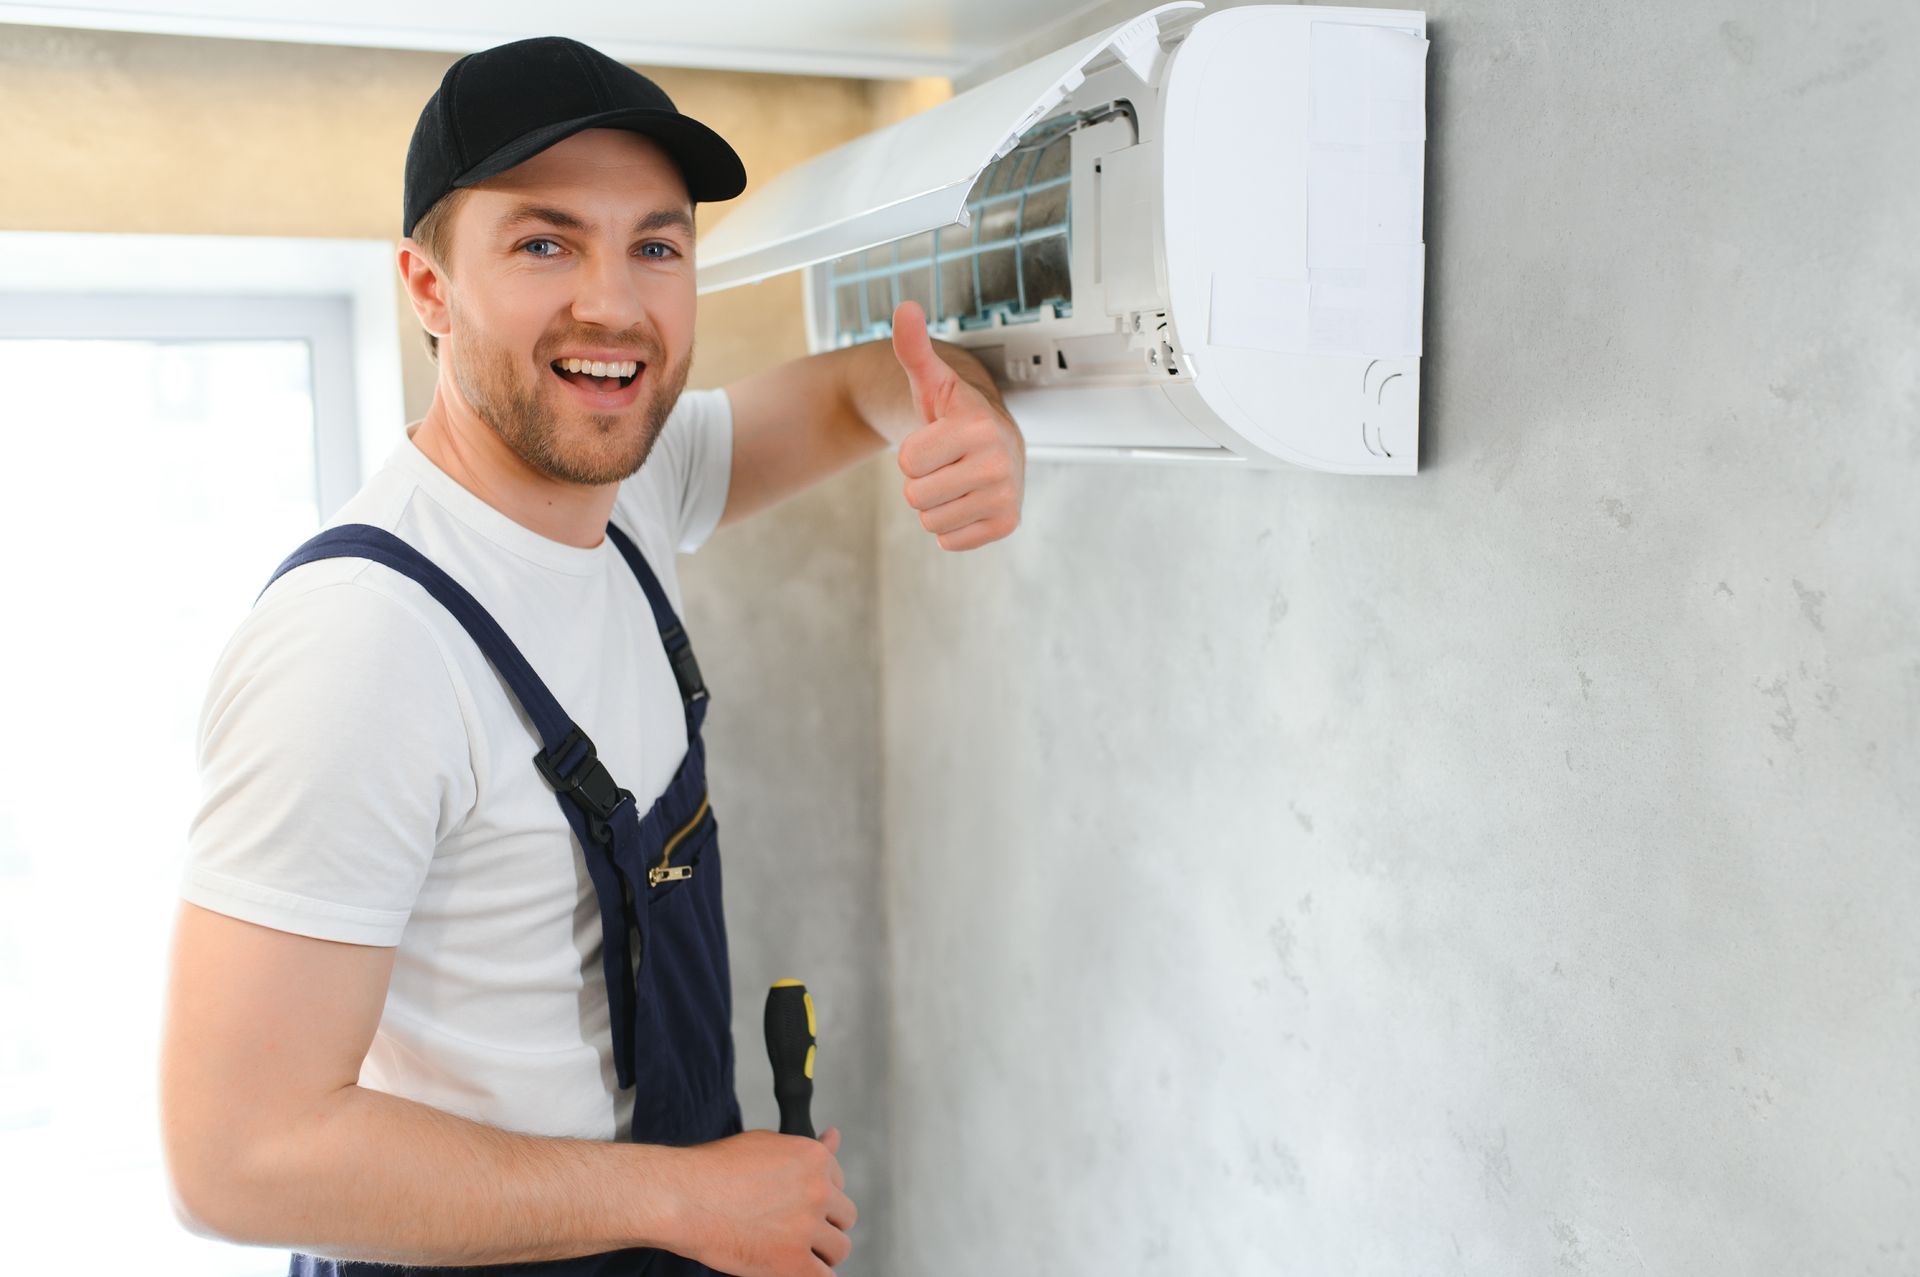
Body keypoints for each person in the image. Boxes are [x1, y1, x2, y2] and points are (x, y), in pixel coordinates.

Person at [156, 35, 1025, 1277]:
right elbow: (236, 1157)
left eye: (656, 247)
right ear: (427, 286)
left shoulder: (628, 491)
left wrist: (974, 424)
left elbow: (865, 390)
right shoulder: (360, 646)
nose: (615, 305)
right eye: (544, 243)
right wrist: (689, 1199)